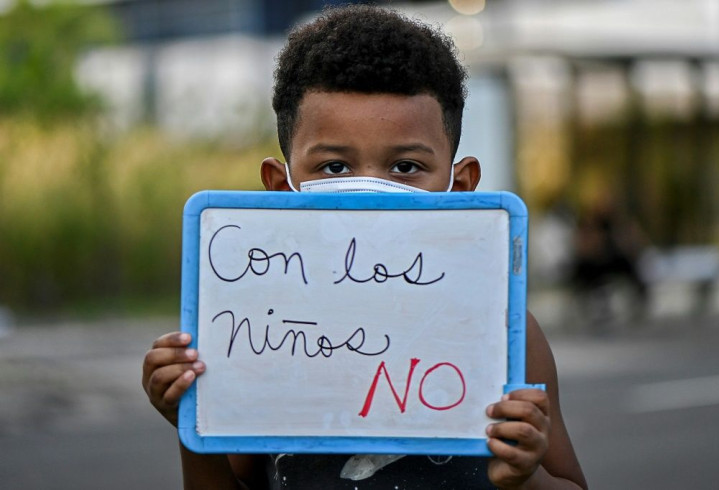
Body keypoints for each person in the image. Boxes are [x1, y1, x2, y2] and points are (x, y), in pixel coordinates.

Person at [142, 5, 587, 489]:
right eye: (334, 167)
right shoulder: (252, 334)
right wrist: (190, 423)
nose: (368, 191)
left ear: (460, 189)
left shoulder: (503, 331)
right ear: (278, 188)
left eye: (405, 167)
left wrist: (525, 476)